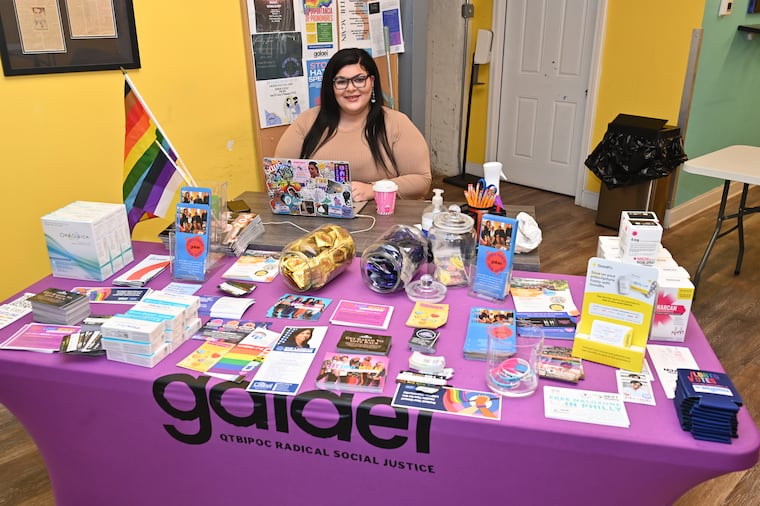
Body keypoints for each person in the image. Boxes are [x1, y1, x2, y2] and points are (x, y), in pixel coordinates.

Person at [275, 48, 432, 201]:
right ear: (332, 86)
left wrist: (373, 189)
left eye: (359, 80)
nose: (351, 88)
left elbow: (421, 181)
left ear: (371, 82)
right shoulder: (307, 121)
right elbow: (277, 175)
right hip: (320, 220)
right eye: (341, 81)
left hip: (382, 219)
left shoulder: (396, 123)